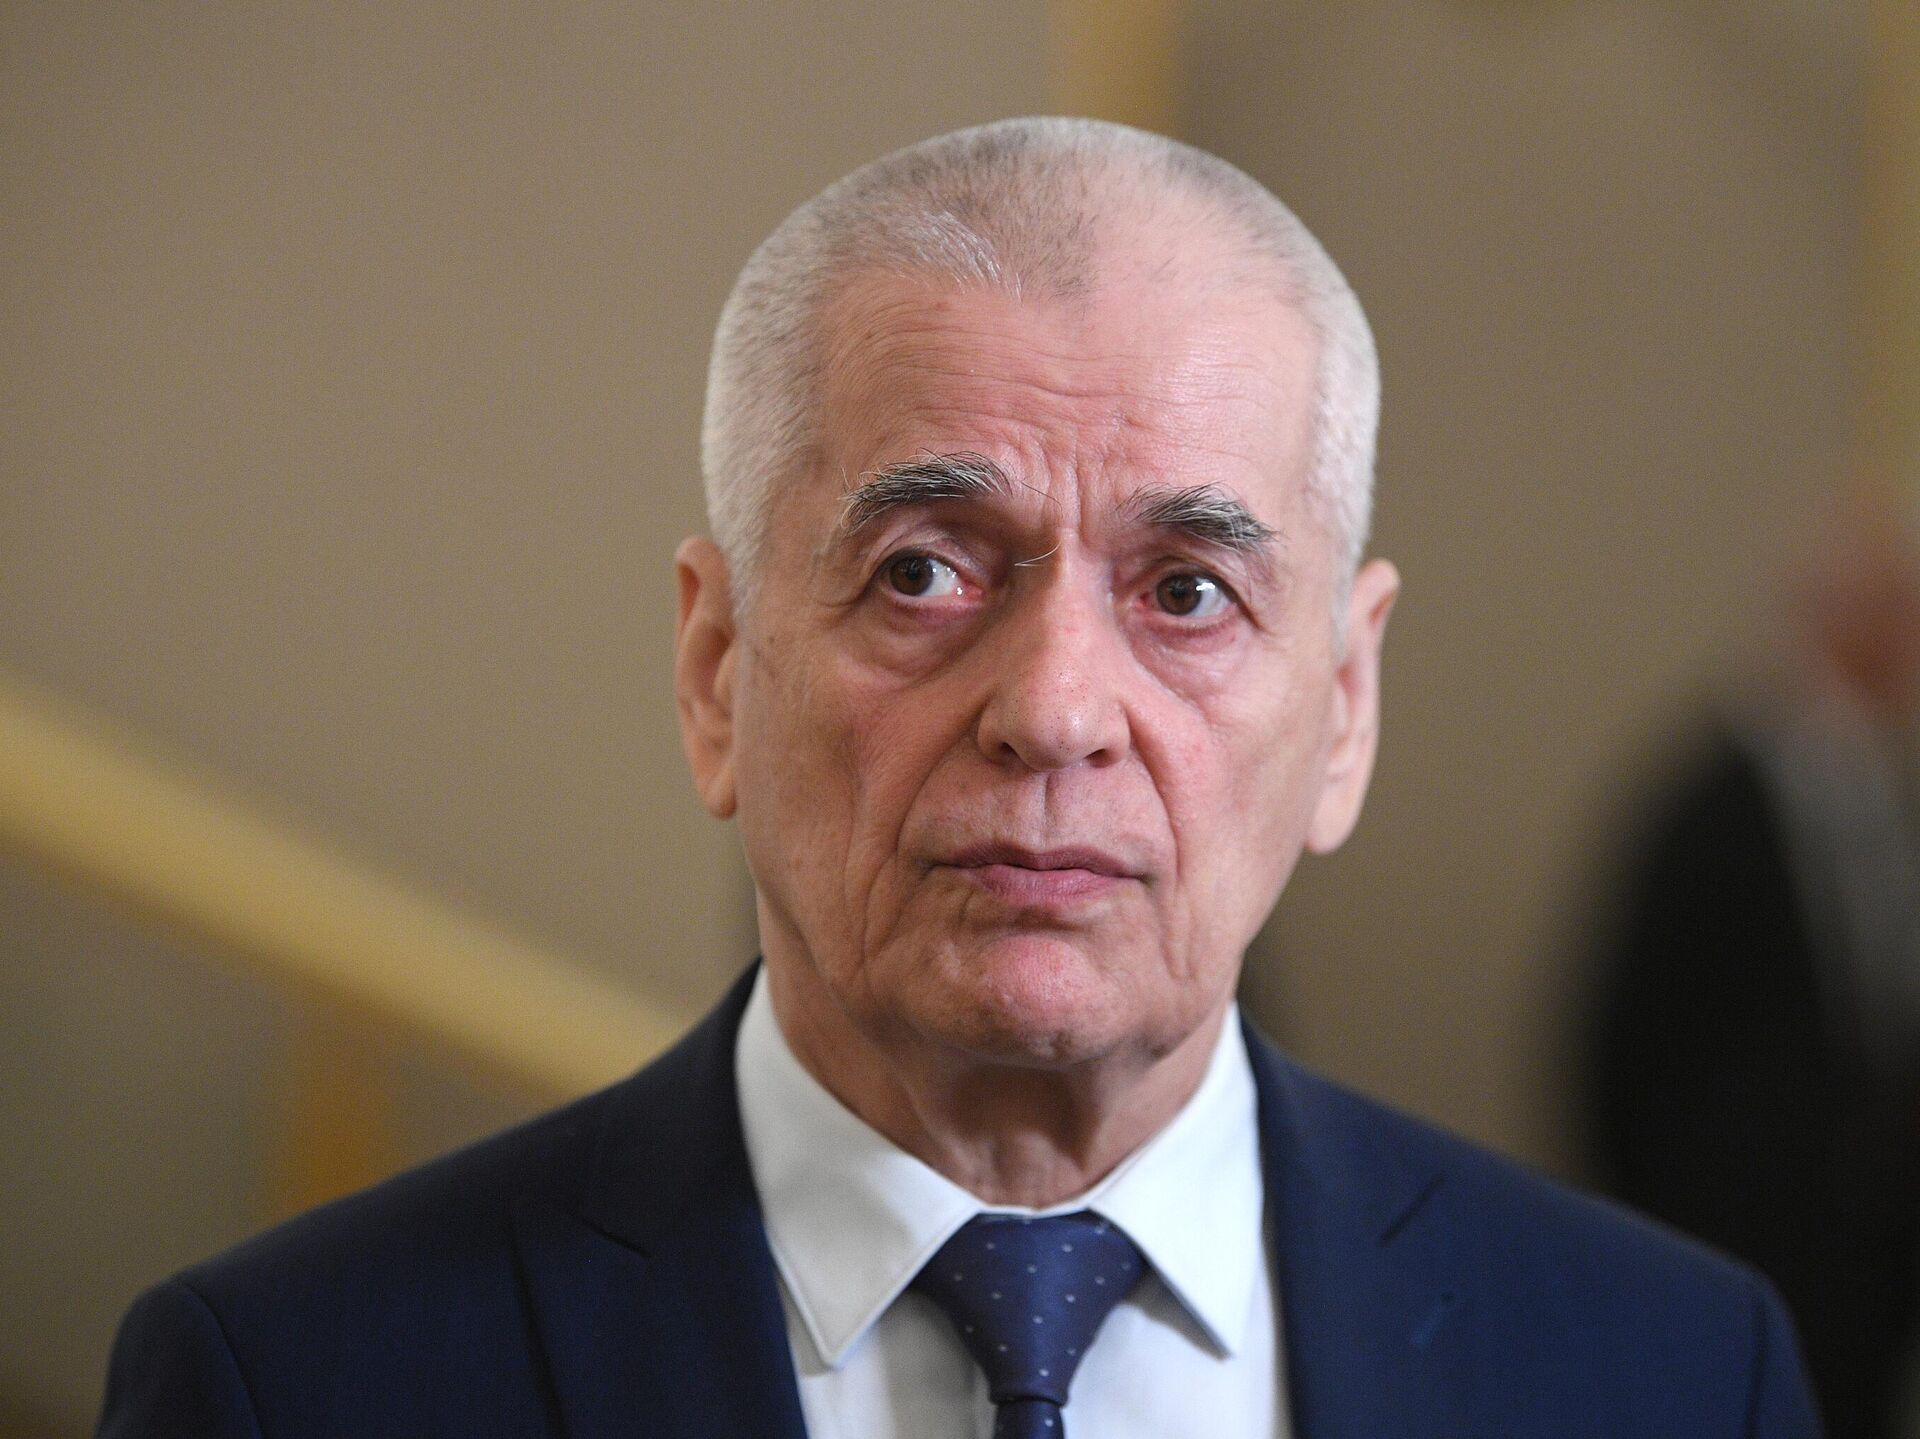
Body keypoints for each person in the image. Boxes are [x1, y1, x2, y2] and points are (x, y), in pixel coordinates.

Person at [97, 117, 1820, 1437]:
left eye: (1188, 592)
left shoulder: (1677, 1370)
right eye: (923, 570)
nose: (1056, 711)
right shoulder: (290, 1382)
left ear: (1346, 704)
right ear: (716, 668)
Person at [1582, 487, 1920, 1439]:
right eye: (1897, 610)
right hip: (1740, 1256)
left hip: (1867, 1276)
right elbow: (1622, 1048)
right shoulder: (1713, 804)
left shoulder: (1887, 793)